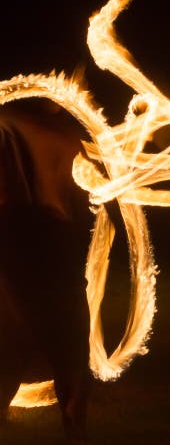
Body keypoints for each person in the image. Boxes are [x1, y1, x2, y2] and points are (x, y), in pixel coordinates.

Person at [0, 98, 93, 442]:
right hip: (53, 234)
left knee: (14, 324)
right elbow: (80, 190)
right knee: (67, 331)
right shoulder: (65, 132)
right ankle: (74, 419)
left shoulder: (5, 121)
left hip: (14, 231)